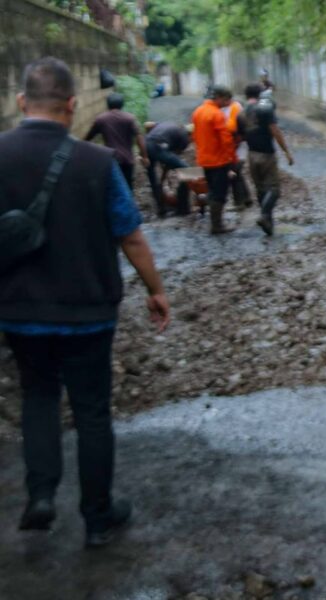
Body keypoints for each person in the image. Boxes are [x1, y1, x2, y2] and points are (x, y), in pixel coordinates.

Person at [0, 57, 170, 549]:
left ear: (19, 102)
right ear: (73, 106)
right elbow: (131, 236)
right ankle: (98, 516)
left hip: (19, 312)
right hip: (88, 313)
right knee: (93, 411)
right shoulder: (96, 164)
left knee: (37, 398)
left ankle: (41, 496)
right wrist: (155, 290)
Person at [237, 83, 294, 235]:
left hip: (252, 154)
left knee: (261, 189)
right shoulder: (265, 109)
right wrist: (286, 151)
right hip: (267, 154)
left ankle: (268, 223)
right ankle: (264, 215)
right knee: (274, 189)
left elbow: (240, 137)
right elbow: (275, 131)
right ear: (259, 95)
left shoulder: (240, 114)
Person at [191, 85, 236, 234]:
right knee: (219, 193)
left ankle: (207, 206)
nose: (227, 103)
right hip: (218, 160)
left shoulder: (198, 112)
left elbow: (195, 136)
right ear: (220, 98)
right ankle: (216, 225)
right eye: (226, 100)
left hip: (204, 159)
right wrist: (232, 158)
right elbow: (226, 139)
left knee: (211, 188)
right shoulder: (217, 114)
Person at [84, 92, 149, 189]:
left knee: (112, 188)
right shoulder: (130, 118)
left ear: (108, 104)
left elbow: (88, 137)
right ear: (122, 104)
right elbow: (139, 138)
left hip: (111, 159)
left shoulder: (101, 119)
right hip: (128, 160)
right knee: (127, 188)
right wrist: (144, 156)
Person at [144, 120, 191, 217]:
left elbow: (149, 125)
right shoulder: (184, 137)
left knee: (153, 179)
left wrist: (163, 178)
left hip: (145, 145)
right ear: (190, 134)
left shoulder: (168, 125)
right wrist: (165, 175)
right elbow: (172, 159)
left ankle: (161, 209)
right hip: (158, 146)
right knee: (188, 171)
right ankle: (182, 207)